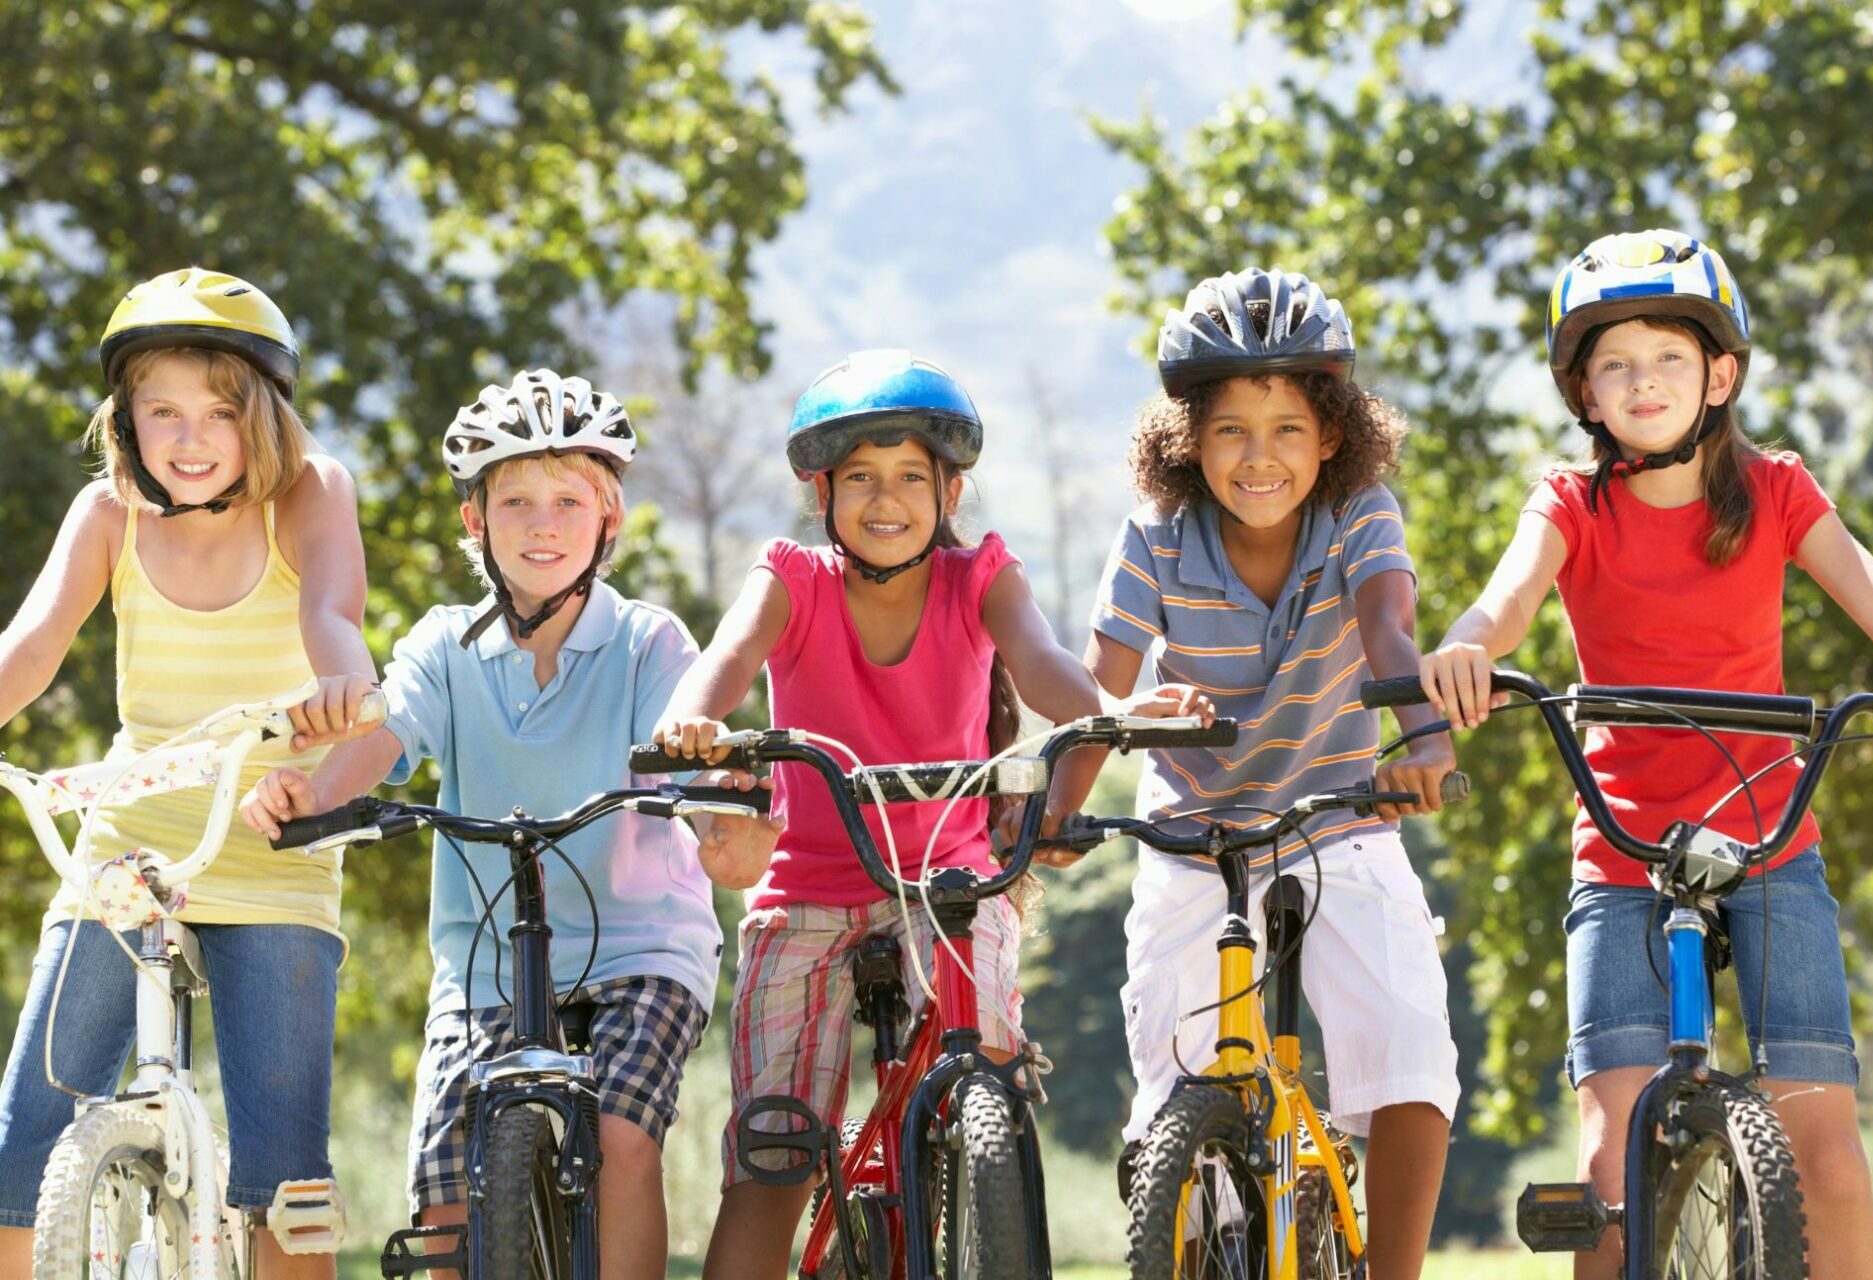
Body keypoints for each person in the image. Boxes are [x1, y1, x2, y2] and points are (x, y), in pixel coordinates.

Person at [1422, 228, 1873, 1280]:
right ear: (1585, 392)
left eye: (1668, 357)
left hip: (1770, 837)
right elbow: (1507, 600)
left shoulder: (1777, 490)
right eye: (1615, 363)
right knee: (1612, 1167)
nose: (1642, 380)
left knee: (1827, 1155)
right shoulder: (1571, 502)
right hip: (1623, 848)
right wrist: (1469, 643)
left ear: (1720, 373)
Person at [653, 349, 1180, 1280]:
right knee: (775, 1153)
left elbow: (1047, 665)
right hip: (807, 888)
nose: (884, 498)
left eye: (908, 476)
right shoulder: (791, 579)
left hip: (950, 889)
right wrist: (695, 717)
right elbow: (727, 661)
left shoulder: (983, 577)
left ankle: (967, 1161)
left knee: (990, 1082)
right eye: (859, 477)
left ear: (950, 488)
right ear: (823, 494)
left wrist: (1107, 710)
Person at [242, 369, 767, 1280]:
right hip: (485, 958)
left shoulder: (649, 642)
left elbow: (679, 745)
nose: (543, 523)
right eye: (515, 500)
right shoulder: (444, 644)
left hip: (640, 947)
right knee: (447, 1194)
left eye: (569, 500)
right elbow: (387, 732)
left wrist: (710, 782)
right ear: (475, 523)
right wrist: (317, 797)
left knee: (618, 1134)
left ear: (608, 522)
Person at [0, 266, 377, 1279]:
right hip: (129, 845)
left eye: (218, 409)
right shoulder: (108, 513)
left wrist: (342, 693)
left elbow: (332, 616)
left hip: (269, 840)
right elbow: (31, 649)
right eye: (160, 410)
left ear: (263, 416)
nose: (190, 436)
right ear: (125, 419)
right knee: (26, 1131)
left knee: (283, 1175)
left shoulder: (311, 491)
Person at [1088, 268, 1460, 1280]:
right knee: (1178, 1100)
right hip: (1194, 834)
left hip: (1338, 818)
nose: (1260, 458)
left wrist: (1426, 741)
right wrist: (1048, 820)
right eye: (1230, 431)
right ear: (1186, 441)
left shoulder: (1361, 513)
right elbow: (1099, 689)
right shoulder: (1156, 534)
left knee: (1408, 1046)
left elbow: (1390, 631)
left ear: (1333, 434)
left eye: (1288, 427)